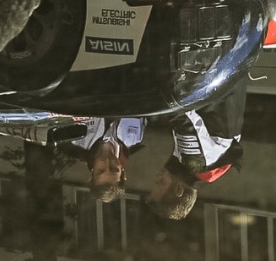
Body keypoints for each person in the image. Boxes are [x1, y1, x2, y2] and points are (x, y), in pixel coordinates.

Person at [145, 86, 246, 221]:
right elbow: (178, 109)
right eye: (161, 182)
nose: (158, 175)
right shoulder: (196, 160)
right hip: (214, 71)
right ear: (178, 189)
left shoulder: (201, 169)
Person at [60, 116, 144, 204]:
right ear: (123, 171)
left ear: (92, 172)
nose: (107, 161)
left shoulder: (76, 141)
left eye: (100, 170)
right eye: (113, 168)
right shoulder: (134, 139)